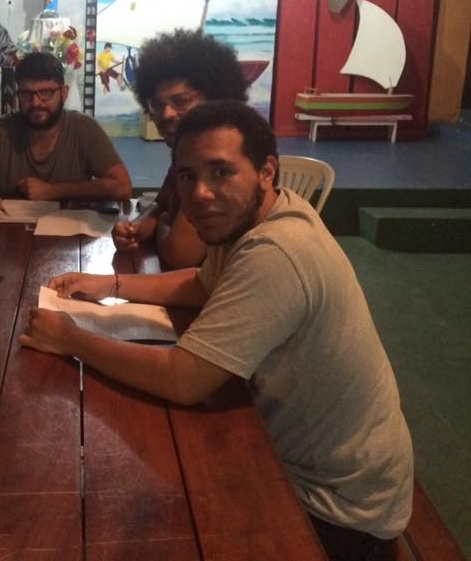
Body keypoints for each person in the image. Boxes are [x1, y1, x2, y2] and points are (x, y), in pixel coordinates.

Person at [22, 101, 413, 561]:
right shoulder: (266, 215)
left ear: (266, 171)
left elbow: (183, 379)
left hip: (338, 509)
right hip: (331, 471)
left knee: (129, 505)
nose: (201, 194)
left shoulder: (277, 253)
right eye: (187, 177)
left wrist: (70, 340)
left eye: (221, 172)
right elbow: (203, 283)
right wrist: (111, 284)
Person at [113, 28, 249, 269]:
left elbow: (179, 255)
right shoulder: (186, 157)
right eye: (157, 104)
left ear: (214, 97)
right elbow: (161, 204)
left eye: (181, 101)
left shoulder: (218, 165)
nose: (166, 114)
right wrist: (138, 226)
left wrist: (164, 222)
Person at [0, 52, 132, 215]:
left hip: (71, 236)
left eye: (46, 93)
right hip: (10, 236)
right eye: (26, 94)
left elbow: (122, 186)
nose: (35, 103)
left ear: (64, 93)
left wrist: (52, 191)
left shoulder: (83, 128)